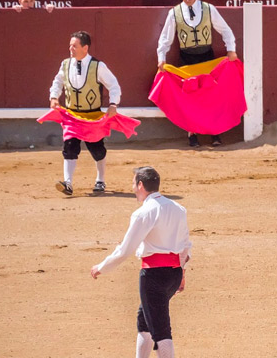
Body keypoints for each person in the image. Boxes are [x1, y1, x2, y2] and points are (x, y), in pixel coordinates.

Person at [91, 166, 192, 358]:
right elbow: (186, 244)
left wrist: (101, 267)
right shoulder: (179, 209)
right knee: (145, 320)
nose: (133, 189)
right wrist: (182, 273)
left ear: (140, 184)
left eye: (134, 184)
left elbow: (125, 251)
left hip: (154, 275)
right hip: (174, 272)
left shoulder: (144, 212)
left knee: (161, 330)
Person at [157, 0, 238, 147]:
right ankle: (191, 134)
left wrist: (231, 49)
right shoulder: (174, 13)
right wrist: (161, 58)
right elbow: (166, 38)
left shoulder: (209, 9)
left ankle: (215, 132)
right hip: (187, 59)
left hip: (207, 57)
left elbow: (225, 30)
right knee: (190, 97)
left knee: (211, 95)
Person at [49, 31, 121, 195]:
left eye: (74, 45)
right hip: (72, 115)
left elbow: (114, 85)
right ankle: (68, 183)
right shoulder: (65, 64)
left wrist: (113, 104)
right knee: (69, 147)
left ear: (85, 47)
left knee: (97, 150)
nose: (70, 48)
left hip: (92, 116)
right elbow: (58, 81)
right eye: (70, 45)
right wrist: (54, 96)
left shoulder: (98, 66)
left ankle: (100, 180)